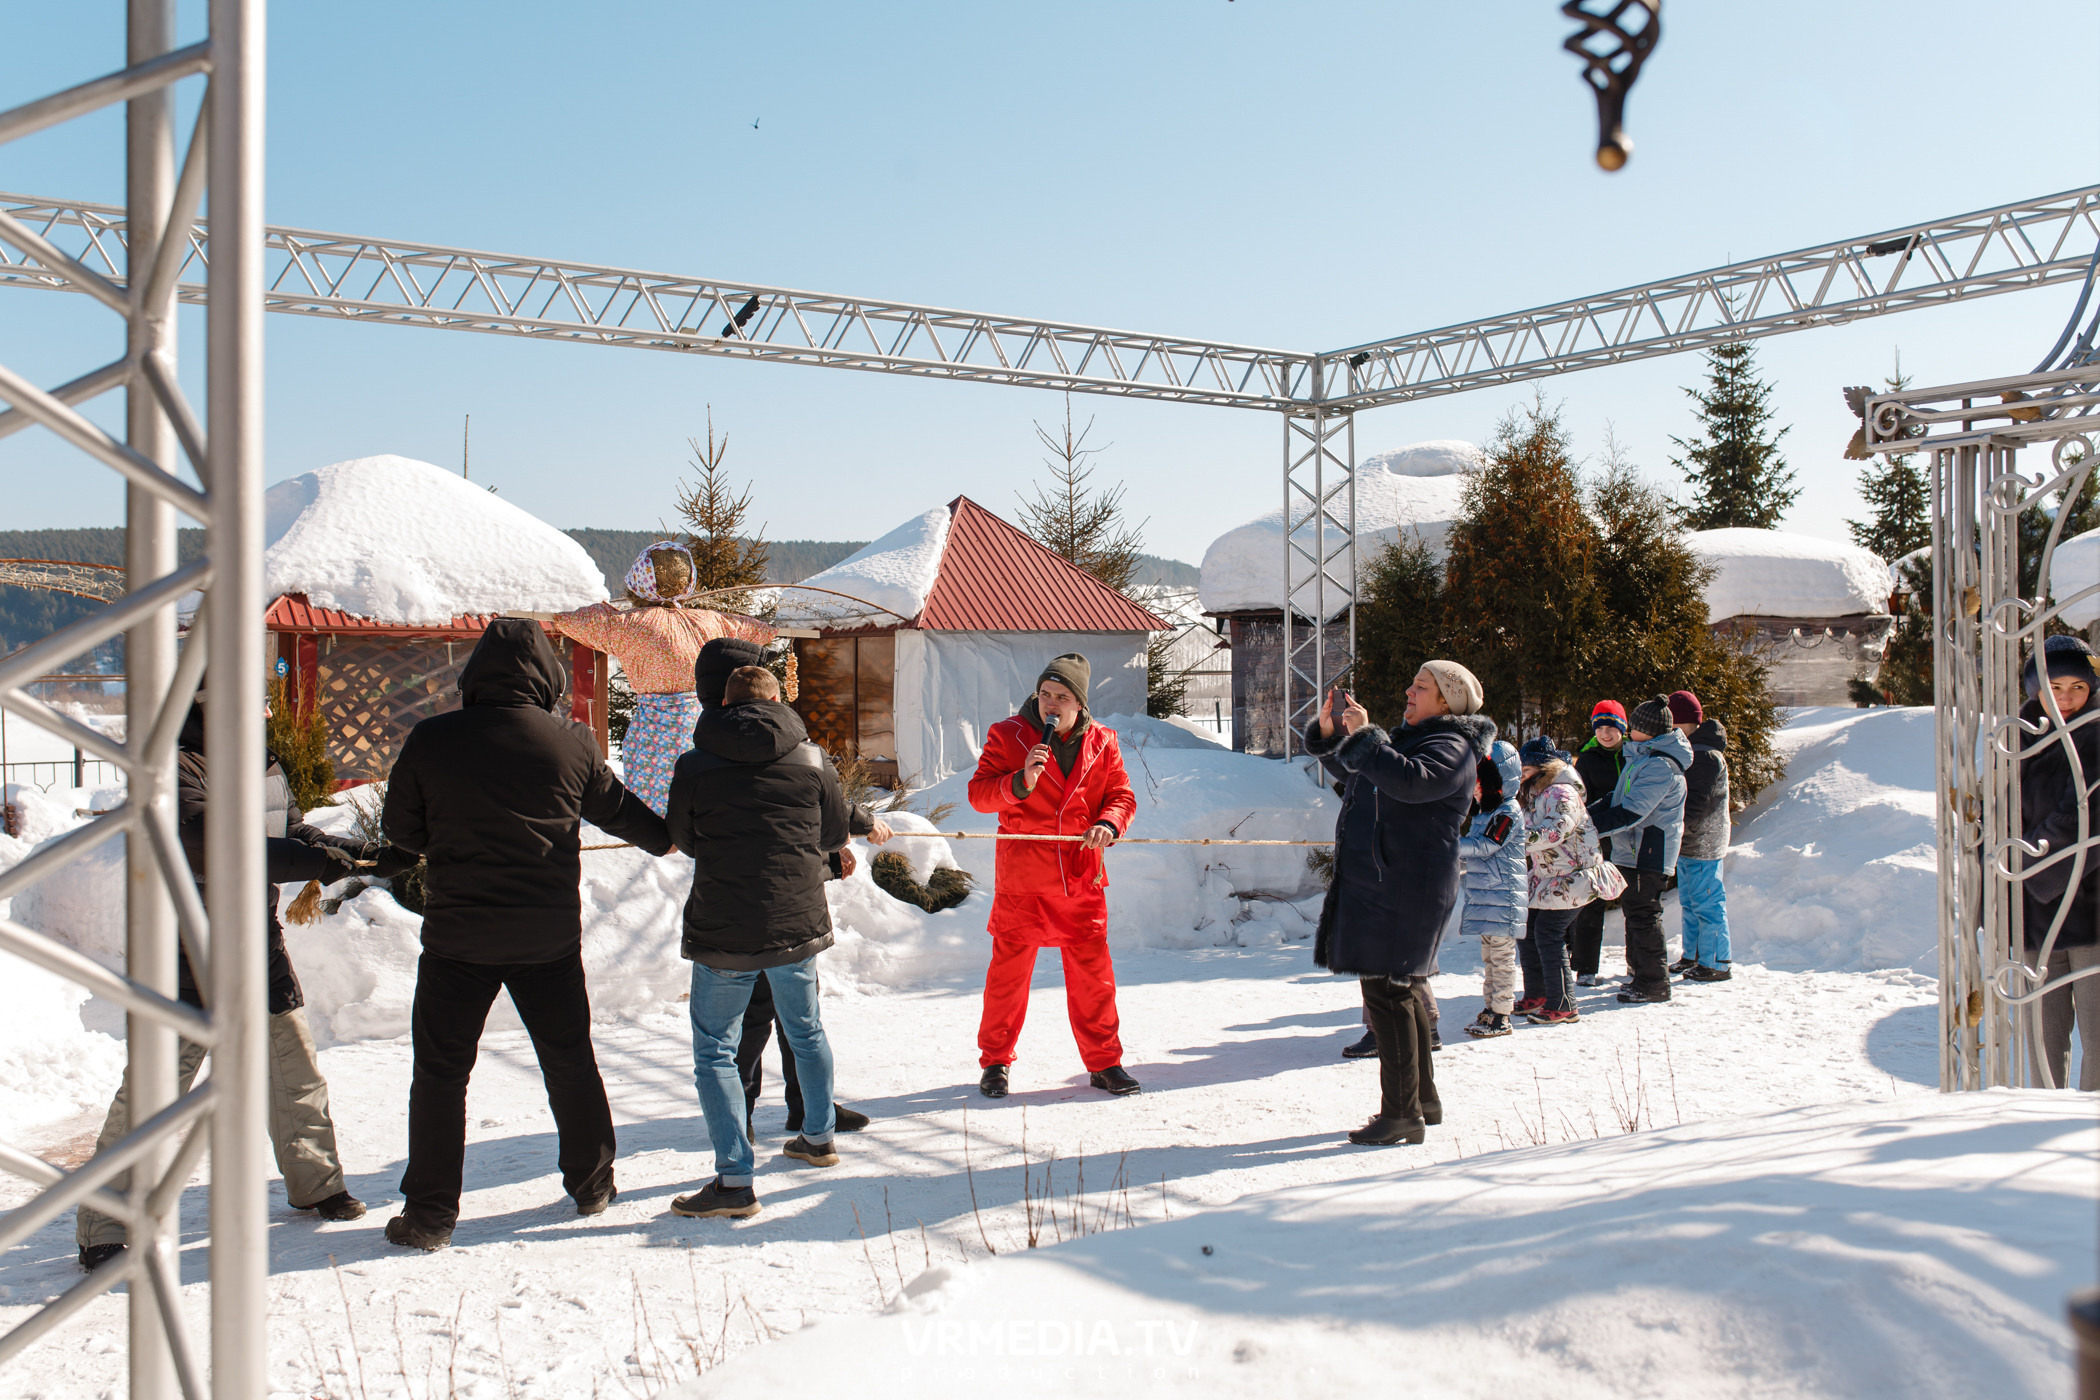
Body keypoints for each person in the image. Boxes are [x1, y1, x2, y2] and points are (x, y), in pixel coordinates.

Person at [379, 620, 673, 1251]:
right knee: (570, 1061)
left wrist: (449, 837)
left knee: (440, 1075)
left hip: (458, 938)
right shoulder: (572, 741)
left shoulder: (432, 739)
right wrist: (671, 835)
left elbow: (401, 831)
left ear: (474, 677)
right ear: (547, 677)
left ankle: (429, 1216)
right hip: (548, 940)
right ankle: (592, 1183)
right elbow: (621, 813)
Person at [76, 690, 367, 1271]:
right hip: (185, 949)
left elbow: (292, 832)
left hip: (257, 943)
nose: (265, 713)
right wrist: (314, 863)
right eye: (252, 700)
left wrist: (357, 853)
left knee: (293, 1069)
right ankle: (104, 1224)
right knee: (154, 1091)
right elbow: (214, 845)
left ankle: (317, 1184)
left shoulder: (262, 761)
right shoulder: (172, 765)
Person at [666, 663, 881, 1219]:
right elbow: (832, 834)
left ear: (723, 705)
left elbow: (684, 838)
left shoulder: (693, 764)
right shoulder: (811, 759)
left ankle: (735, 1180)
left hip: (723, 925)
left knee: (715, 1049)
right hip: (796, 919)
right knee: (806, 1030)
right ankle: (818, 1137)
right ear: (779, 701)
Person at [1305, 663, 1494, 1147]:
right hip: (1392, 880)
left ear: (1448, 701)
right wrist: (1335, 738)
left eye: (1421, 687)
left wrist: (1366, 737)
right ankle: (1421, 1101)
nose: (1409, 691)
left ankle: (1401, 1114)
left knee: (1388, 992)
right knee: (1400, 990)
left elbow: (1410, 782)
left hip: (1409, 884)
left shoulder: (1452, 745)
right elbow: (1368, 776)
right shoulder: (1419, 740)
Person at [967, 654, 1140, 1099]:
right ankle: (995, 1062)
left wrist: (1109, 823)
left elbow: (1121, 796)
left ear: (1079, 702)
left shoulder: (1104, 740)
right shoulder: (1007, 734)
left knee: (1094, 978)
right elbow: (979, 796)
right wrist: (1019, 781)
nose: (1050, 703)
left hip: (1080, 876)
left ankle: (1104, 1062)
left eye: (1062, 696)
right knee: (1008, 977)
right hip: (1023, 879)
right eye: (1045, 694)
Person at [549, 542, 775, 816]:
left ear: (638, 582)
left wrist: (603, 610)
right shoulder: (711, 621)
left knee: (652, 816)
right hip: (701, 730)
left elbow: (569, 621)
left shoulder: (628, 624)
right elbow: (760, 630)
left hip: (651, 737)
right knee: (700, 805)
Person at [2019, 634, 2100, 1089]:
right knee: (2042, 1040)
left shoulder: (2097, 736)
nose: (2066, 699)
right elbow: (1997, 813)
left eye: (2077, 687)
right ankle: (2042, 1115)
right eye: (2054, 687)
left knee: (2098, 1038)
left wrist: (2029, 867)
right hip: (2036, 919)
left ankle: (2090, 1122)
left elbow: (2084, 817)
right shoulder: (2019, 738)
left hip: (2090, 910)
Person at [1588, 694, 1691, 1005]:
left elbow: (1632, 812)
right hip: (1636, 850)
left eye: (1633, 726)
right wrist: (1585, 815)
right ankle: (1641, 974)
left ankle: (1654, 982)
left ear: (1647, 730)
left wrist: (1590, 828)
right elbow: (1617, 798)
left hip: (1649, 851)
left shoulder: (1660, 766)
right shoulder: (1643, 759)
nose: (1629, 731)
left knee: (1644, 914)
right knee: (1635, 913)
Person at [1518, 735, 1624, 1025]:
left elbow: (1556, 830)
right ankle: (1538, 994)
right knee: (1529, 928)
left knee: (1549, 933)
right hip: (1550, 876)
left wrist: (1516, 840)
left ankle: (1564, 1004)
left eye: (1526, 769)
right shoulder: (1537, 792)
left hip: (1574, 875)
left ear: (1543, 768)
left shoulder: (1561, 792)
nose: (1521, 775)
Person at [1458, 740, 1526, 1039]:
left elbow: (1487, 845)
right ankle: (1491, 1007)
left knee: (1502, 958)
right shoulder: (1484, 813)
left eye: (1479, 781)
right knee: (1489, 956)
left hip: (1503, 896)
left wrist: (1449, 845)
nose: (1474, 788)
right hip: (1487, 896)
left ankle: (1502, 1012)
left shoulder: (1509, 811)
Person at [1670, 690, 1735, 983]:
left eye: (1672, 723)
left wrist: (1673, 824)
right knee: (1690, 901)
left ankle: (1717, 962)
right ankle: (1694, 955)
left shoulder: (1705, 756)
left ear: (1684, 722)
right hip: (1689, 841)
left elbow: (1696, 804)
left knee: (1707, 903)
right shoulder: (1692, 751)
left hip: (1703, 843)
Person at [1568, 700, 1627, 986]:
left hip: (1630, 838)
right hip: (1598, 839)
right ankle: (1585, 968)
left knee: (1635, 903)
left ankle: (1637, 965)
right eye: (1600, 728)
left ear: (1622, 729)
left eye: (1611, 727)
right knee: (1592, 903)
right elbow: (1581, 802)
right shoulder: (1587, 759)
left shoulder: (1633, 755)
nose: (1605, 734)